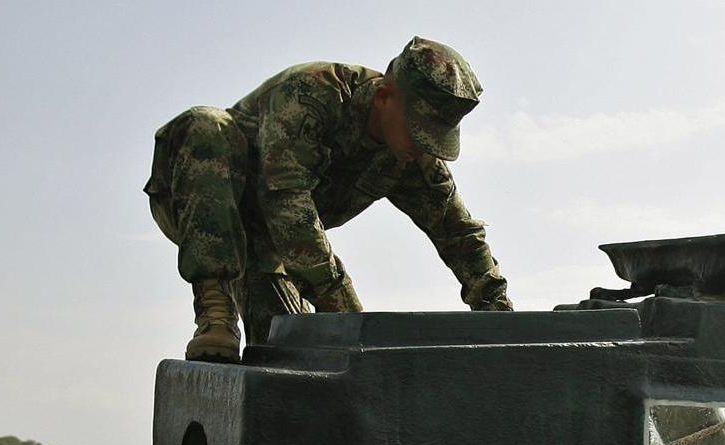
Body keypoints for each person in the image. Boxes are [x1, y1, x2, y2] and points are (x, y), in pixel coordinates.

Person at [146, 36, 512, 363]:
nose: (422, 146)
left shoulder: (411, 159)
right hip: (204, 198)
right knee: (207, 126)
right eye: (418, 131)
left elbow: (459, 234)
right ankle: (215, 309)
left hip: (271, 244)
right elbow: (287, 204)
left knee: (291, 356)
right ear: (385, 97)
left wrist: (502, 321)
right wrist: (349, 315)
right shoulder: (312, 94)